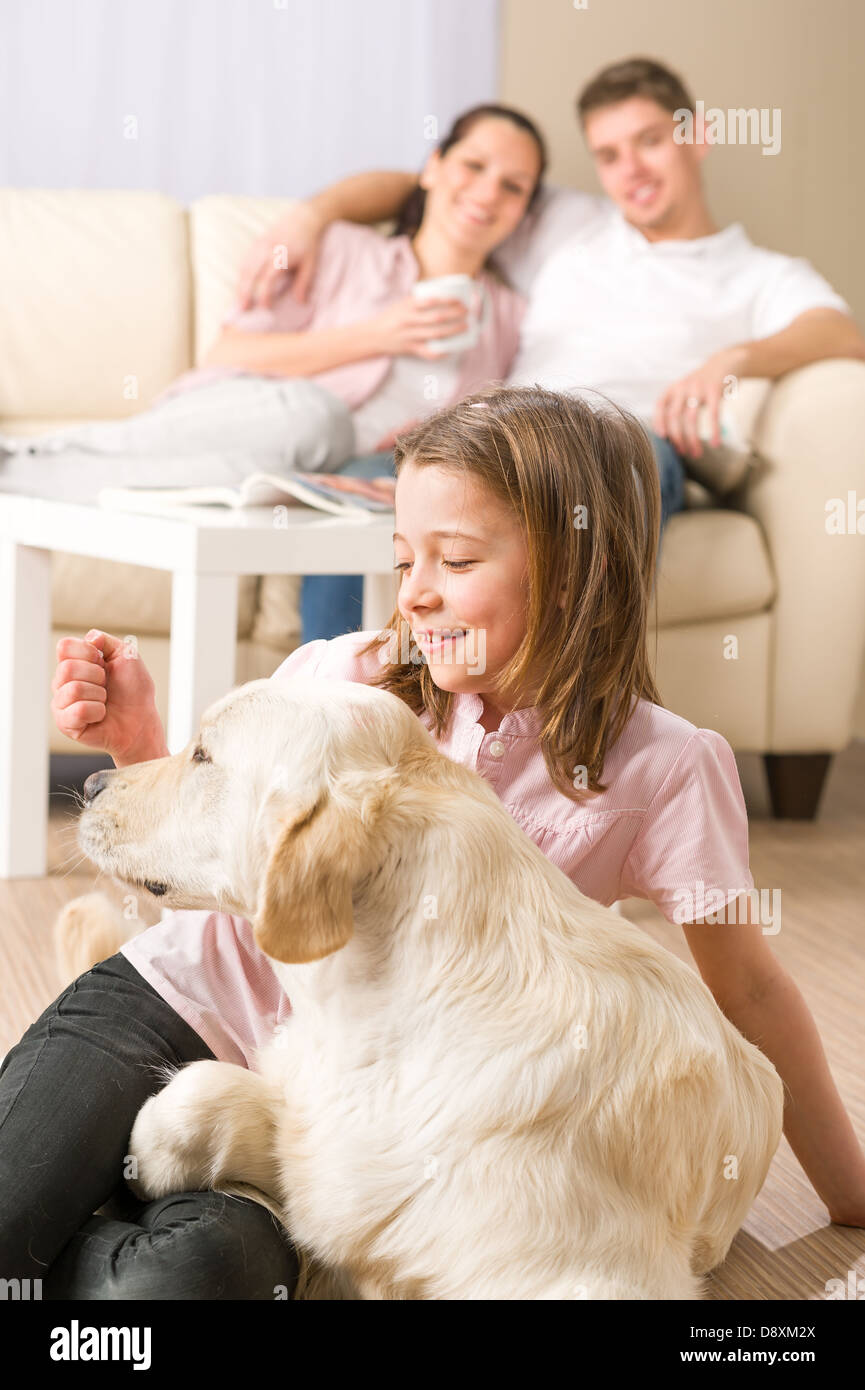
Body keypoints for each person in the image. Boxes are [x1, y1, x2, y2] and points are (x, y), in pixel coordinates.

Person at [3, 385, 863, 1300]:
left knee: (175, 1284)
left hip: (326, 1110)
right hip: (175, 997)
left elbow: (750, 987)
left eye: (452, 559)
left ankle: (83, 1233)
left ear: (571, 571)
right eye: (403, 556)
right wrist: (145, 752)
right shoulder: (339, 678)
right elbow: (226, 835)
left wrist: (845, 1187)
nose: (413, 592)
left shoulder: (664, 767)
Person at [241, 57, 865, 641]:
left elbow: (841, 333)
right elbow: (424, 183)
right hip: (500, 437)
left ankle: (563, 719)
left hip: (622, 441)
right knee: (352, 482)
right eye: (610, 155)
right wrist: (310, 215)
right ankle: (335, 710)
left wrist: (731, 361)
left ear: (696, 137)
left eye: (650, 141)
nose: (633, 169)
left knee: (624, 457)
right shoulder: (570, 223)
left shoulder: (756, 273)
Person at [0, 103, 543, 508]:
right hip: (251, 417)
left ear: (524, 212)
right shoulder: (344, 249)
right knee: (316, 419)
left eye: (513, 186)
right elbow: (225, 352)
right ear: (432, 168)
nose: (488, 193)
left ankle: (15, 475)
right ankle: (37, 452)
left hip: (314, 473)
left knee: (262, 485)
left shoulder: (512, 317)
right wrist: (378, 335)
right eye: (473, 166)